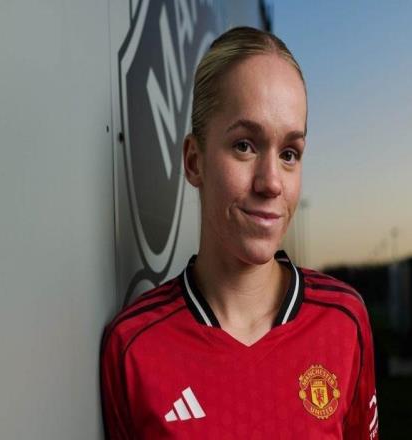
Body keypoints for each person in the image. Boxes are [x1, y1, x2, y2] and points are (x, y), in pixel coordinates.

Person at [100, 26, 379, 439]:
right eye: (244, 145)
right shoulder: (133, 346)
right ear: (194, 161)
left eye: (289, 154)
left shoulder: (342, 320)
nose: (271, 182)